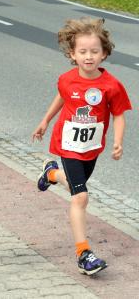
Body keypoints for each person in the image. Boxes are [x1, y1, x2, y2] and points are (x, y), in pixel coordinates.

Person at [32, 17, 131, 276]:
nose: (89, 57)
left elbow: (119, 114)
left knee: (78, 189)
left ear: (105, 53)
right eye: (83, 52)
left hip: (91, 148)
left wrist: (118, 141)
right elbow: (62, 98)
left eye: (94, 51)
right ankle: (83, 253)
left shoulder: (112, 85)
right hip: (67, 145)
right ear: (72, 54)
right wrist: (45, 120)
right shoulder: (67, 79)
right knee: (81, 196)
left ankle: (51, 174)